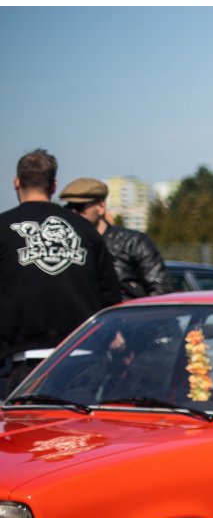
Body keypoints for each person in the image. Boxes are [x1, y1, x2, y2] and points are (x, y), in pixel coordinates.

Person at [1, 150, 123, 394]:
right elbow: (110, 297)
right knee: (76, 432)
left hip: (20, 362)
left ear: (16, 182)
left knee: (25, 432)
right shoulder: (86, 230)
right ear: (54, 185)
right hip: (82, 357)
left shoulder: (2, 229)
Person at [59, 177, 168, 299]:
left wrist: (132, 315)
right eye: (68, 207)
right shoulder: (65, 246)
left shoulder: (132, 242)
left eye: (79, 207)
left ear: (101, 207)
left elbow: (160, 291)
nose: (73, 213)